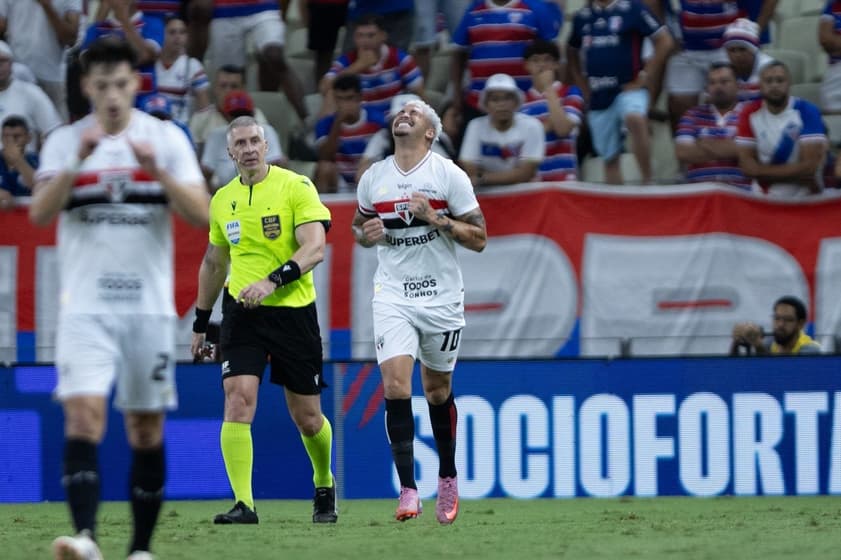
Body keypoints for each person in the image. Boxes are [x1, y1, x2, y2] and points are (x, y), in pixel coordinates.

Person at [28, 36, 209, 560]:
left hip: (148, 310)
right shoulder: (65, 140)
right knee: (83, 417)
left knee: (144, 426)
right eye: (102, 85)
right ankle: (85, 538)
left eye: (121, 84)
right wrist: (74, 165)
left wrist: (157, 173)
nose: (112, 95)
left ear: (136, 84)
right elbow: (38, 213)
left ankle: (140, 549)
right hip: (85, 306)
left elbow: (201, 214)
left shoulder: (166, 138)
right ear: (87, 87)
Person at [190, 115, 338, 525]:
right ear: (230, 151)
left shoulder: (296, 186)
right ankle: (244, 504)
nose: (250, 148)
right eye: (241, 143)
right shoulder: (221, 199)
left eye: (256, 140)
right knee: (237, 397)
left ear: (267, 145)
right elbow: (214, 262)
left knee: (307, 417)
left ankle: (324, 481)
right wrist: (202, 323)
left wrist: (272, 282)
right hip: (242, 313)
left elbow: (315, 249)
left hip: (293, 314)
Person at [351, 98, 487, 524]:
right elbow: (360, 228)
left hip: (442, 297)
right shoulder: (374, 177)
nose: (404, 113)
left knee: (436, 391)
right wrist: (365, 235)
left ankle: (447, 475)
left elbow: (480, 237)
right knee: (395, 385)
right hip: (393, 295)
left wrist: (437, 219)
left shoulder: (448, 175)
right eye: (400, 111)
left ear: (430, 131)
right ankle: (408, 489)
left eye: (415, 111)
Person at [567, 0, 673, 185]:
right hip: (598, 93)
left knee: (635, 118)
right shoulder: (582, 17)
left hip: (628, 87)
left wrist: (645, 76)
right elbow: (571, 51)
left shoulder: (633, 8)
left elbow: (665, 41)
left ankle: (648, 181)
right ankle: (617, 201)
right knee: (609, 157)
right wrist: (582, 86)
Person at [450, 0, 560, 129]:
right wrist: (456, 99)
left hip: (525, 104)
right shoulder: (473, 10)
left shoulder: (536, 8)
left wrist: (555, 94)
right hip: (478, 103)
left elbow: (552, 55)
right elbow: (459, 55)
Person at [736, 61, 828, 198]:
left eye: (780, 80)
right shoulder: (749, 113)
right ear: (760, 85)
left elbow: (809, 168)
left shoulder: (807, 111)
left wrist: (760, 172)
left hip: (804, 197)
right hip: (762, 198)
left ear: (789, 83)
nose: (774, 85)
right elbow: (748, 168)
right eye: (769, 81)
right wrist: (796, 173)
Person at [319, 13, 424, 118]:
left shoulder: (399, 58)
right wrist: (358, 66)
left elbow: (419, 93)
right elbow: (324, 88)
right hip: (360, 120)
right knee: (330, 95)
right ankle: (323, 134)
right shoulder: (346, 60)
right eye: (360, 36)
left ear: (383, 36)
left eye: (371, 35)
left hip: (392, 120)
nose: (365, 41)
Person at [459, 73, 545, 188]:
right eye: (495, 99)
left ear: (516, 102)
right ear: (486, 104)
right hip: (487, 196)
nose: (502, 104)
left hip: (525, 194)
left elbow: (526, 173)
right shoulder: (475, 126)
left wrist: (483, 178)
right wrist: (513, 174)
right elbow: (469, 167)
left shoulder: (533, 126)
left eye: (507, 98)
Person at [0, 0, 81, 120]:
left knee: (57, 134)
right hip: (17, 75)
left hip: (51, 77)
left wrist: (47, 6)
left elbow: (70, 39)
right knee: (15, 132)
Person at [674, 62, 751, 190]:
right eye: (712, 83)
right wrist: (733, 147)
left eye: (724, 81)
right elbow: (683, 153)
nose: (718, 87)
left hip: (740, 194)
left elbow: (751, 152)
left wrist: (703, 143)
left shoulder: (750, 114)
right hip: (700, 194)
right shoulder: (692, 115)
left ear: (738, 86)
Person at [520, 39, 584, 182]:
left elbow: (562, 129)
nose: (542, 65)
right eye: (535, 60)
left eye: (547, 60)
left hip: (565, 178)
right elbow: (517, 140)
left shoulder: (571, 92)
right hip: (532, 181)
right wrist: (548, 125)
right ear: (527, 65)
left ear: (556, 64)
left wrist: (548, 88)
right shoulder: (519, 101)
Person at [314, 73, 386, 193]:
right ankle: (322, 210)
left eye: (349, 98)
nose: (344, 104)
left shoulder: (377, 121)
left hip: (372, 180)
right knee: (324, 168)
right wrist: (338, 123)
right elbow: (325, 156)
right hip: (341, 181)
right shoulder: (325, 124)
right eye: (339, 99)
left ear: (359, 98)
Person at [201, 90, 285, 192]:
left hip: (264, 190)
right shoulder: (216, 136)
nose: (240, 118)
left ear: (253, 113)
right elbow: (205, 175)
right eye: (235, 114)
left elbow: (279, 167)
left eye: (245, 113)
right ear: (224, 115)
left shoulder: (266, 131)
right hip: (227, 193)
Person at [188, 65, 268, 154]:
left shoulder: (255, 114)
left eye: (234, 86)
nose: (228, 91)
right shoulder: (200, 118)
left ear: (243, 89)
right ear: (215, 88)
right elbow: (192, 154)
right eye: (223, 86)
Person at [0, 40, 63, 153]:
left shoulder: (31, 93)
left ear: (11, 64)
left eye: (2, 61)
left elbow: (54, 132)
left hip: (24, 165)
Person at [155, 14, 211, 124]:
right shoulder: (152, 65)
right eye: (172, 32)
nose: (177, 37)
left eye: (182, 32)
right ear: (162, 34)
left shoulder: (193, 66)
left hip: (182, 128)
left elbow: (204, 109)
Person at [730, 295, 821, 355]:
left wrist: (758, 346)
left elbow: (781, 376)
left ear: (801, 324)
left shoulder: (810, 350)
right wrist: (736, 342)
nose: (780, 324)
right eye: (777, 318)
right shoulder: (770, 343)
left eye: (788, 320)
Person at [722, 18, 773, 103]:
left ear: (754, 50)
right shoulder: (721, 69)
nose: (737, 55)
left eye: (742, 49)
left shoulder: (769, 68)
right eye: (732, 50)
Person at [0, 115, 38, 199]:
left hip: (29, 210)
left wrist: (18, 160)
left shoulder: (36, 160)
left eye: (16, 136)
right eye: (6, 136)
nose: (11, 141)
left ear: (28, 138)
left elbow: (40, 188)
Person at [820, 0, 841, 114]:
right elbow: (826, 40)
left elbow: (832, 42)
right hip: (836, 72)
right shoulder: (832, 6)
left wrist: (836, 42)